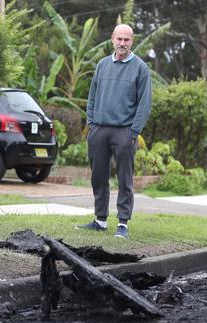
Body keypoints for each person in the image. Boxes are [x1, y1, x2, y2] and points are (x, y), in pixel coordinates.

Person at [76, 24, 152, 239]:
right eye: (119, 39)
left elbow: (144, 104)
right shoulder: (102, 65)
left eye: (126, 40)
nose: (122, 44)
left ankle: (123, 224)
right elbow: (92, 96)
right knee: (98, 177)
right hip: (99, 130)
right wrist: (91, 123)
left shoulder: (140, 68)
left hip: (124, 132)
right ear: (112, 39)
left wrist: (134, 132)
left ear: (132, 42)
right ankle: (100, 220)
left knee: (124, 179)